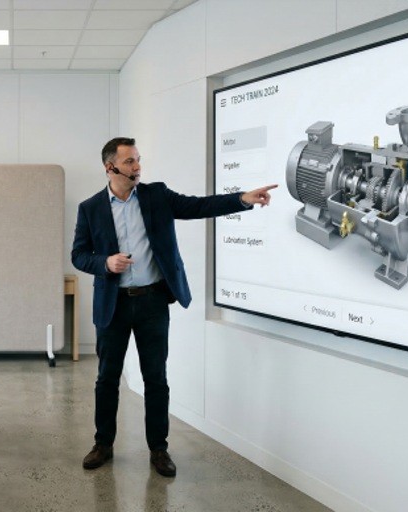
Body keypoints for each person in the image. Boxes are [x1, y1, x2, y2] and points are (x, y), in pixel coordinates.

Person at [72, 137, 277, 477]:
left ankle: (159, 449)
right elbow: (78, 255)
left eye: (138, 160)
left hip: (152, 301)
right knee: (107, 379)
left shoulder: (156, 196)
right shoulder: (90, 208)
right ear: (110, 167)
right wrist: (105, 263)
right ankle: (103, 444)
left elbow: (199, 206)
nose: (138, 167)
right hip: (113, 305)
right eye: (130, 162)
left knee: (156, 379)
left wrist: (243, 199)